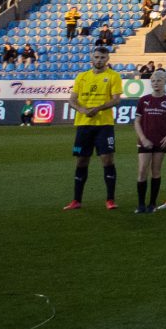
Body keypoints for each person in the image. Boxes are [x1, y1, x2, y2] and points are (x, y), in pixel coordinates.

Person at [66, 48, 122, 211]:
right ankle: (76, 200)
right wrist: (83, 110)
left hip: (104, 125)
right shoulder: (82, 77)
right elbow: (72, 100)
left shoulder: (113, 76)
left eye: (102, 57)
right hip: (83, 124)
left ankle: (110, 200)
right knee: (82, 160)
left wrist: (98, 108)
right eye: (96, 57)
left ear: (107, 58)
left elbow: (116, 100)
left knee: (107, 159)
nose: (99, 60)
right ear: (92, 58)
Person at [132, 69, 166, 214]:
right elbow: (137, 122)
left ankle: (151, 204)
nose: (156, 83)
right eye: (153, 81)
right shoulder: (143, 100)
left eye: (159, 81)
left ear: (165, 82)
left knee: (156, 171)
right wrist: (143, 138)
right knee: (142, 171)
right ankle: (140, 204)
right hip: (145, 140)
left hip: (161, 141)